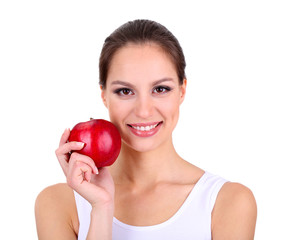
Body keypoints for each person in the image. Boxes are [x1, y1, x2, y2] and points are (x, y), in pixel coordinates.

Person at [35, 19, 257, 239]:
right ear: (104, 96)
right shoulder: (58, 203)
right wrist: (101, 208)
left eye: (160, 89)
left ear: (182, 91)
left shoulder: (229, 202)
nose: (143, 111)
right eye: (125, 91)